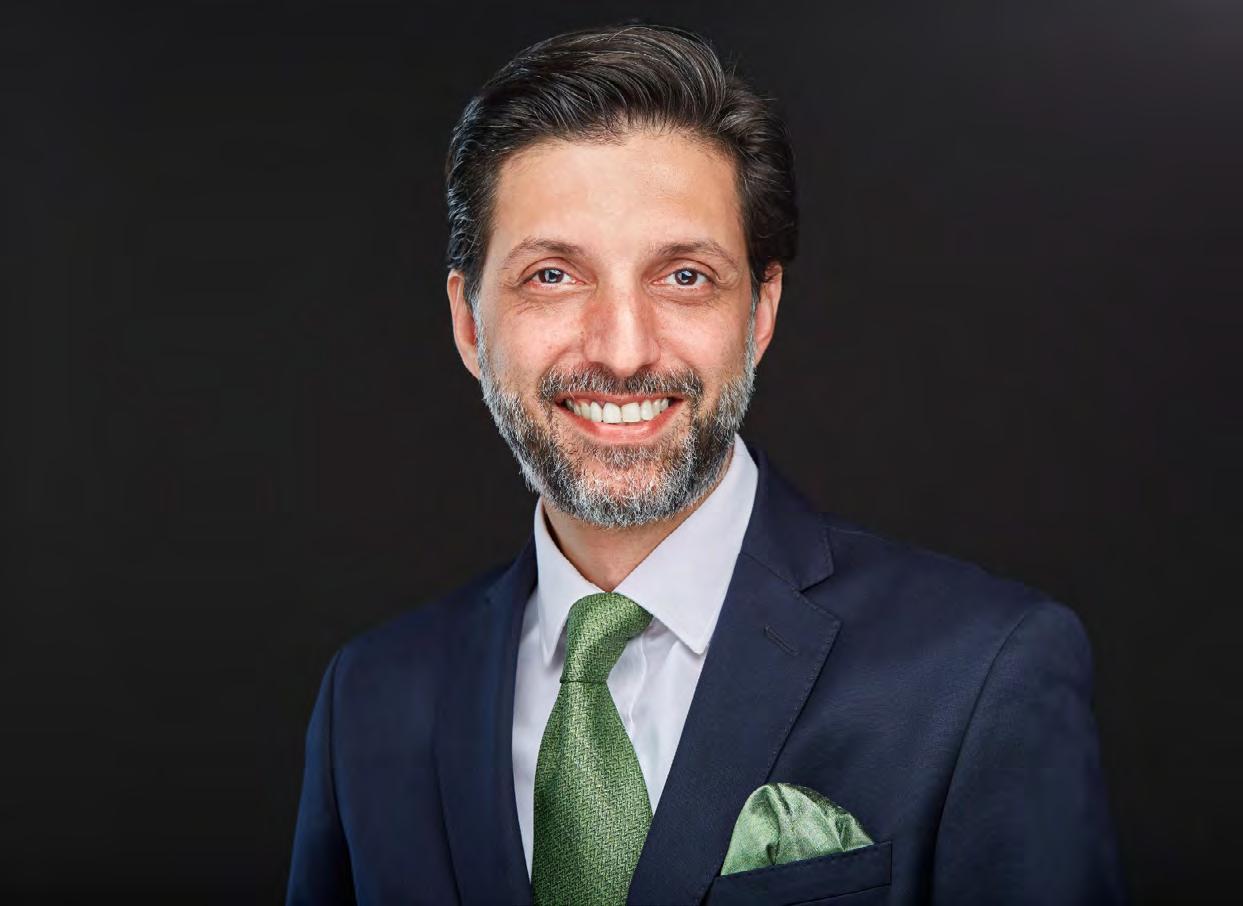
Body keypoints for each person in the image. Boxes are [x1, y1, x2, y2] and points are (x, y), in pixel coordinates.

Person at [286, 22, 1126, 905]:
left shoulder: (981, 671)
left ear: (759, 311)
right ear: (468, 323)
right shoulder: (369, 699)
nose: (621, 351)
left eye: (683, 276)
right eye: (552, 276)